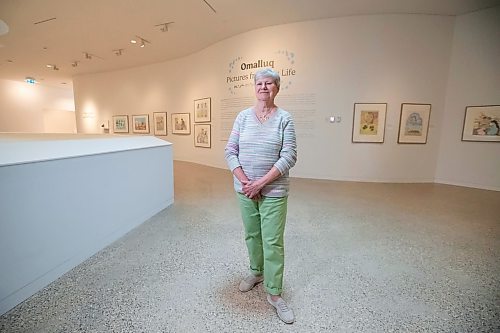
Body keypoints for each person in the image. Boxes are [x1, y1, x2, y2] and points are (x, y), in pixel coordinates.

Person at [224, 68, 298, 324]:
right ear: (254, 87)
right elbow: (230, 150)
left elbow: (289, 156)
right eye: (259, 83)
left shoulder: (284, 118)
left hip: (274, 191)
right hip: (245, 189)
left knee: (273, 241)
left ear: (277, 88)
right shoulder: (243, 117)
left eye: (269, 84)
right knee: (252, 234)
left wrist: (261, 183)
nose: (264, 87)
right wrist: (246, 182)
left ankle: (275, 293)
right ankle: (256, 272)